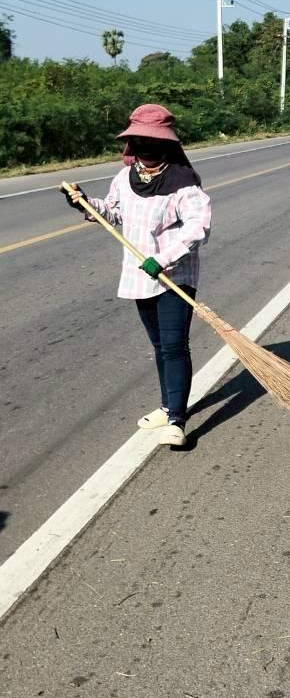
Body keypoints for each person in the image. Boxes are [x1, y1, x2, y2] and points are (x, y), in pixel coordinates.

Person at [64, 104, 212, 446]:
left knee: (175, 346)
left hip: (174, 275)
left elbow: (198, 228)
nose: (144, 150)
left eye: (151, 142)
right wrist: (85, 203)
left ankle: (177, 419)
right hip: (139, 275)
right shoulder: (124, 178)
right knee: (159, 345)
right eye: (138, 142)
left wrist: (163, 258)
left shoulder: (183, 183)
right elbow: (113, 213)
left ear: (166, 145)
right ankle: (166, 404)